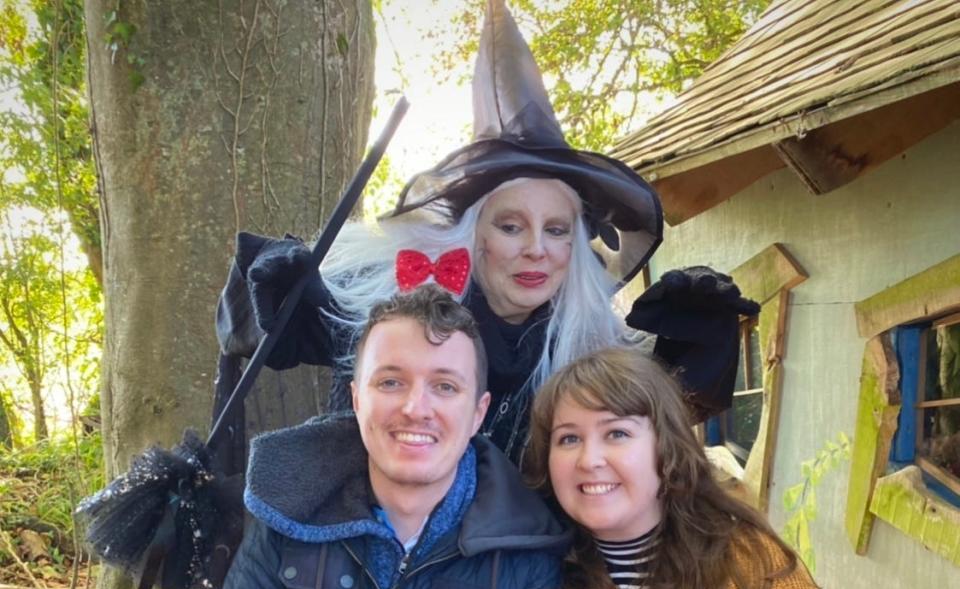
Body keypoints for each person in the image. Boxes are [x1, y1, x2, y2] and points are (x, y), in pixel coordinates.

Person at [217, 0, 757, 466]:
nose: (535, 250)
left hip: (517, 579)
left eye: (556, 229)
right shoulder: (396, 313)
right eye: (511, 225)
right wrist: (287, 287)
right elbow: (262, 332)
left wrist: (693, 333)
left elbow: (662, 416)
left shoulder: (584, 343)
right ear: (475, 236)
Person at [195, 284, 570, 589]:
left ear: (478, 413)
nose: (416, 408)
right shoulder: (289, 512)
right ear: (357, 399)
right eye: (391, 381)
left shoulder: (523, 554)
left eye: (445, 386)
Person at [526, 347, 851, 589]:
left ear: (667, 446)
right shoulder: (543, 579)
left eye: (616, 433)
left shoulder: (755, 573)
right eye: (568, 439)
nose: (589, 459)